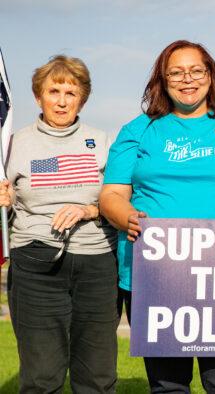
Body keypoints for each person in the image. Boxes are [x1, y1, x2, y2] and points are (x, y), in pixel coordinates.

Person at [99, 39, 215, 394]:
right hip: (154, 274)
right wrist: (129, 217)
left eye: (196, 70)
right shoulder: (138, 130)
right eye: (176, 72)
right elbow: (111, 196)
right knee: (168, 385)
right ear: (162, 80)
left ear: (211, 76)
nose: (187, 79)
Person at [0, 55, 118, 393]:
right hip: (36, 264)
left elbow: (120, 199)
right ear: (38, 96)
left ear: (83, 98)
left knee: (97, 375)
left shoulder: (104, 141)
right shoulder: (12, 145)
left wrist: (90, 210)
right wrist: (3, 203)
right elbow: (6, 215)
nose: (62, 101)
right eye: (54, 91)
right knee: (41, 376)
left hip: (96, 264)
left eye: (71, 92)